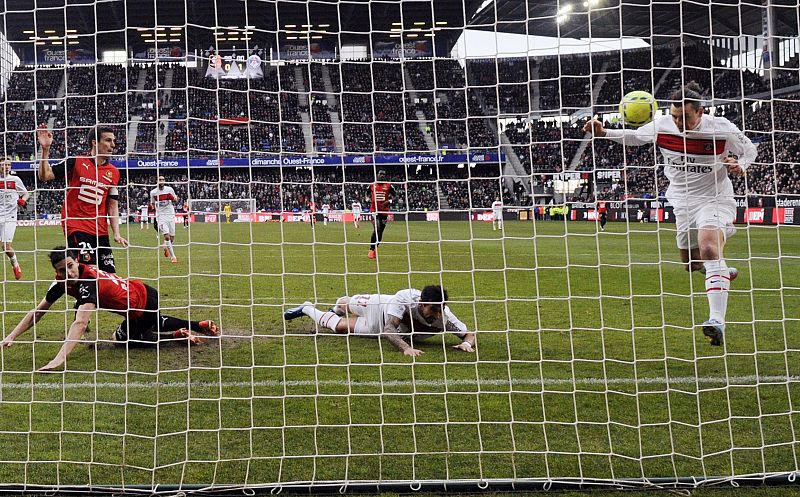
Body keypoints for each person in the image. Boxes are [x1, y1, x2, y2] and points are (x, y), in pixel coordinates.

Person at [583, 81, 757, 346]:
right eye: (675, 116)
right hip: (682, 202)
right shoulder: (663, 125)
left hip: (715, 197)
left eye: (684, 117)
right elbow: (635, 137)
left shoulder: (720, 127)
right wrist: (604, 132)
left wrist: (740, 164)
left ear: (700, 112)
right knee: (691, 264)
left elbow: (750, 149)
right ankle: (720, 271)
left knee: (709, 247)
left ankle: (716, 321)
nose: (678, 122)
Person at [0, 247, 220, 371]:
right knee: (151, 321)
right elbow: (38, 312)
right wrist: (11, 335)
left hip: (141, 303)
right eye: (62, 270)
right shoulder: (61, 282)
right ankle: (196, 325)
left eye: (70, 266)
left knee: (122, 339)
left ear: (77, 261)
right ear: (56, 272)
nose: (69, 273)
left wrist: (59, 359)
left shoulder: (89, 282)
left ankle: (175, 336)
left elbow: (81, 323)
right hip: (142, 290)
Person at [283, 285, 475, 357]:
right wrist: (406, 348)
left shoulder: (444, 317)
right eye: (433, 309)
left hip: (376, 327)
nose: (438, 315)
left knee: (339, 328)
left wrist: (466, 343)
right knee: (347, 303)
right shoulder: (404, 298)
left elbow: (469, 334)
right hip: (378, 305)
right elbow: (390, 328)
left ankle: (306, 308)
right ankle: (339, 306)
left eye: (440, 309)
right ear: (421, 304)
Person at [37, 124, 129, 273]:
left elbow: (112, 206)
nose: (113, 145)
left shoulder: (114, 172)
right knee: (89, 273)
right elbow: (45, 176)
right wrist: (45, 149)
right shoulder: (76, 162)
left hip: (101, 231)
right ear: (95, 142)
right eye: (108, 140)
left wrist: (116, 233)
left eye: (113, 141)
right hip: (77, 227)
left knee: (110, 276)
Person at [0, 158, 30, 280]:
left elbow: (26, 193)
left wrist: (23, 200)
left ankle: (15, 265)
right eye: (4, 165)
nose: (6, 167)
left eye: (8, 165)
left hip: (10, 216)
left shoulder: (15, 180)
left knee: (6, 247)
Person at [149, 175, 178, 263]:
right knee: (167, 236)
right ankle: (173, 257)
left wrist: (173, 198)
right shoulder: (153, 192)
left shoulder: (169, 189)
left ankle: (165, 246)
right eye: (160, 180)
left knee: (172, 237)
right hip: (161, 216)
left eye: (163, 179)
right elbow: (152, 203)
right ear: (157, 181)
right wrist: (152, 207)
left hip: (170, 214)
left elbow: (176, 200)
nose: (161, 181)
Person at [368, 169, 395, 259]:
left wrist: (389, 201)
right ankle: (371, 250)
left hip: (384, 212)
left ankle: (375, 249)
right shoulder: (372, 185)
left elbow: (395, 196)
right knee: (377, 228)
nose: (382, 175)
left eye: (383, 174)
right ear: (377, 175)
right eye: (380, 174)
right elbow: (367, 193)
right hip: (374, 210)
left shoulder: (389, 185)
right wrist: (367, 198)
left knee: (380, 233)